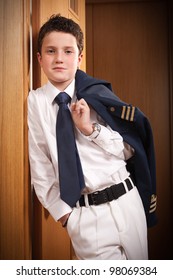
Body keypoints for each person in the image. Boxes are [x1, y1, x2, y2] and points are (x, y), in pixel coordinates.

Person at [28, 14, 157, 260]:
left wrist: (91, 129)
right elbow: (41, 164)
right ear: (40, 59)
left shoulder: (97, 95)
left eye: (68, 51)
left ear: (79, 58)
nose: (59, 59)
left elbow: (128, 150)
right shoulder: (36, 102)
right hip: (86, 217)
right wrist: (66, 216)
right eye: (51, 51)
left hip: (128, 203)